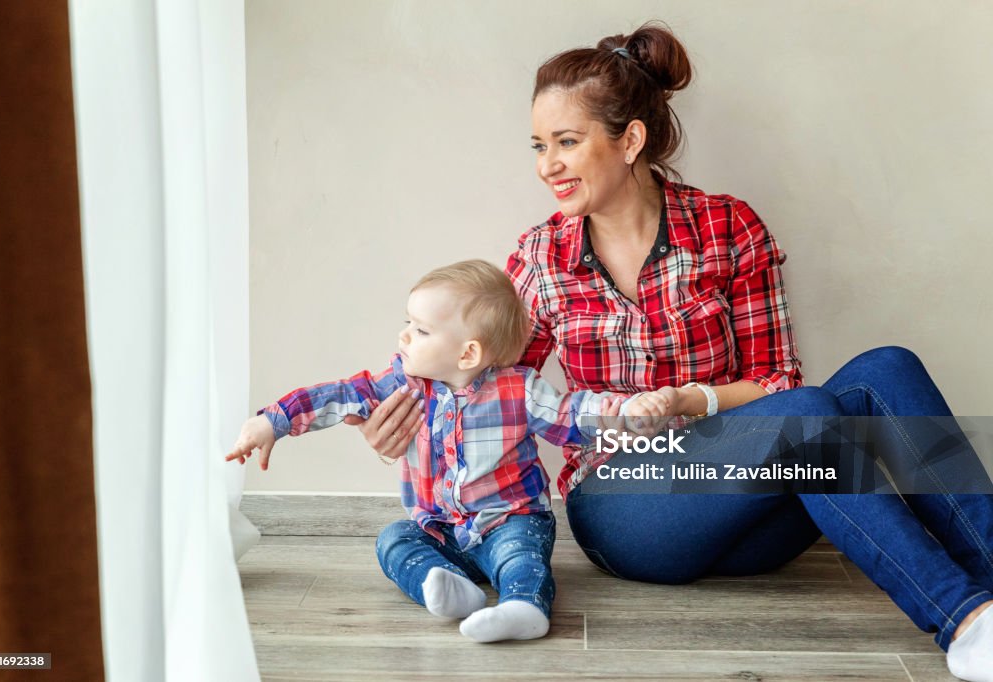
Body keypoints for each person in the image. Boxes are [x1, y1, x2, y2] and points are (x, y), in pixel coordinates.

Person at [346, 22, 993, 680]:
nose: (548, 165)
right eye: (540, 145)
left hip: (747, 505)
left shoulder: (726, 226)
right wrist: (402, 418)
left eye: (567, 142)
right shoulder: (542, 259)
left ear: (629, 140)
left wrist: (694, 400)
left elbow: (778, 381)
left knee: (886, 370)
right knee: (809, 420)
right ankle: (965, 620)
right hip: (628, 505)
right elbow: (484, 380)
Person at [227, 259, 663, 643]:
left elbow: (573, 414)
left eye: (420, 330)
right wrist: (274, 421)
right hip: (439, 529)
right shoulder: (405, 384)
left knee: (521, 556)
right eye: (408, 323)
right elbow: (340, 394)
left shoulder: (520, 390)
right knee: (393, 540)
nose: (404, 336)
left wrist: (624, 414)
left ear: (468, 352)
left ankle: (524, 608)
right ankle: (451, 590)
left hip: (508, 521)